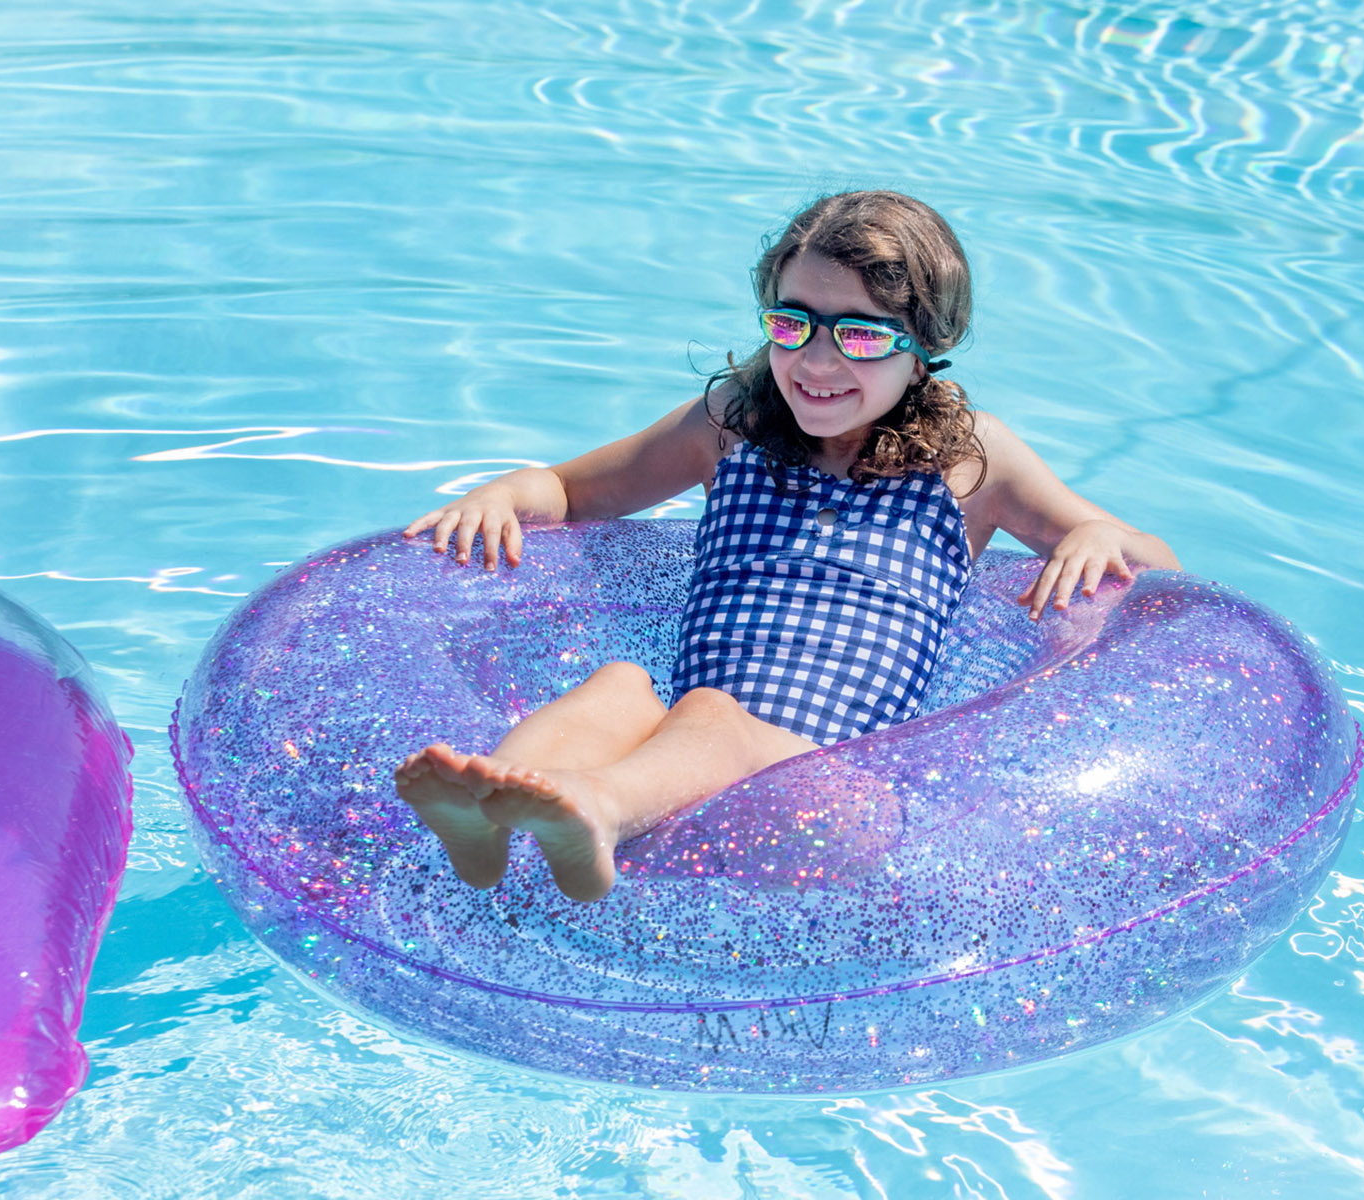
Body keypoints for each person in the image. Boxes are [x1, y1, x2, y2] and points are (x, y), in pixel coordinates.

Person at [394, 190, 1179, 902]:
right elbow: (570, 490)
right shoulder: (731, 425)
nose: (817, 360)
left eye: (860, 335)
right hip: (686, 758)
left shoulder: (971, 461)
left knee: (712, 713)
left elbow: (1159, 567)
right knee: (622, 686)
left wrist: (1097, 533)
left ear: (924, 346)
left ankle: (596, 809)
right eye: (791, 323)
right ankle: (495, 810)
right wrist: (506, 493)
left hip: (841, 799)